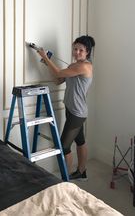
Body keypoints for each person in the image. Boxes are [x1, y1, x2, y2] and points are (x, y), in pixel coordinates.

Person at [37, 35, 95, 180]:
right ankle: (82, 172)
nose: (77, 52)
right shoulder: (73, 66)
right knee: (80, 141)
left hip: (77, 113)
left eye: (81, 50)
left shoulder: (84, 66)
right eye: (75, 49)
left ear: (87, 52)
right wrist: (46, 63)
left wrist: (46, 57)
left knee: (64, 147)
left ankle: (66, 179)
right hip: (71, 109)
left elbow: (58, 72)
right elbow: (58, 80)